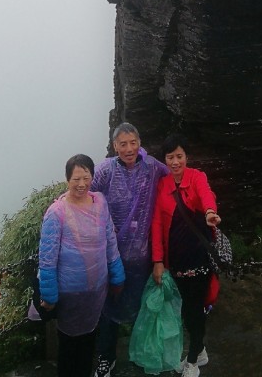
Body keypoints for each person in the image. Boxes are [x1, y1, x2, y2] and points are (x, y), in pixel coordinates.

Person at [90, 122, 169, 375]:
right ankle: (106, 357)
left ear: (139, 142)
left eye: (133, 142)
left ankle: (142, 354)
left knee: (143, 308)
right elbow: (85, 197)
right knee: (108, 309)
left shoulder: (152, 167)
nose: (128, 148)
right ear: (115, 146)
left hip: (143, 258)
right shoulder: (105, 171)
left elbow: (174, 178)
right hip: (112, 257)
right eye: (122, 144)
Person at [38, 154, 125, 377]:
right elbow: (47, 259)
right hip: (69, 296)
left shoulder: (100, 203)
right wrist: (49, 297)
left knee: (88, 343)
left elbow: (110, 241)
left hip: (96, 292)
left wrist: (117, 276)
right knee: (68, 347)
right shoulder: (56, 213)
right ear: (67, 179)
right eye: (76, 178)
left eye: (86, 177)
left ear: (92, 177)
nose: (82, 184)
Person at [151, 133, 221, 377]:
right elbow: (157, 225)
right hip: (176, 260)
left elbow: (206, 195)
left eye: (179, 156)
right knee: (185, 309)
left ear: (186, 157)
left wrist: (210, 211)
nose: (175, 162)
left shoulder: (197, 177)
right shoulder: (163, 186)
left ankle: (192, 360)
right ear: (165, 160)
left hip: (199, 255)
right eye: (170, 157)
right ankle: (199, 350)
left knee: (194, 307)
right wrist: (158, 261)